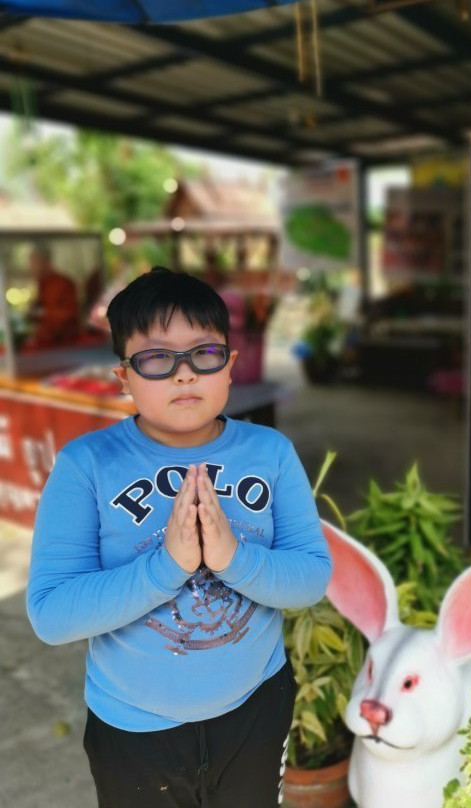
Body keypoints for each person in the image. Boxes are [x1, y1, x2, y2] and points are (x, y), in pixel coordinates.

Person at [26, 266, 332, 808]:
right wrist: (166, 566)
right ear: (124, 376)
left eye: (204, 354)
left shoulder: (270, 453)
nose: (185, 375)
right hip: (134, 730)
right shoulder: (86, 466)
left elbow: (311, 578)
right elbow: (52, 615)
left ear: (230, 366)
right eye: (157, 359)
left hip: (255, 709)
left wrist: (234, 558)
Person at [25, 243, 81, 348]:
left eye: (34, 262)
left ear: (45, 262)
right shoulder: (42, 284)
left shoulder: (63, 283)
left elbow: (69, 314)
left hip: (66, 344)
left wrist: (42, 312)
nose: (30, 267)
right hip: (47, 343)